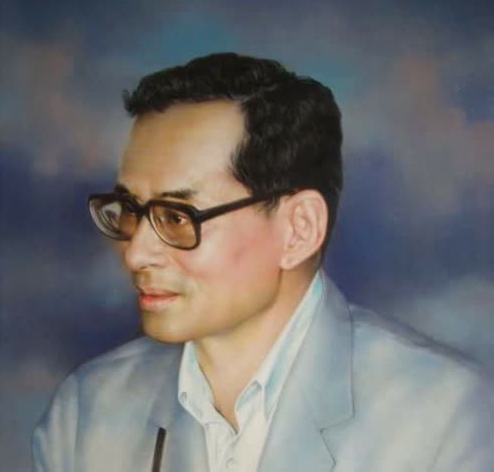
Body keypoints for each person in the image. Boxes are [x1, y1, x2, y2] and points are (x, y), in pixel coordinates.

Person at [33, 53, 493, 472]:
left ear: (299, 230)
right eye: (130, 210)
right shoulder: (86, 414)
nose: (135, 253)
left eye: (176, 217)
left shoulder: (445, 420)